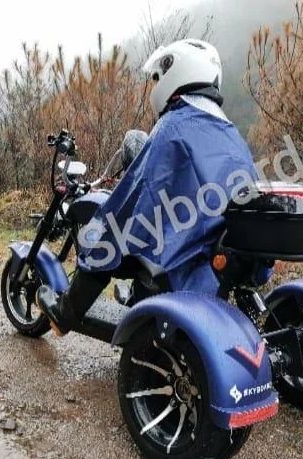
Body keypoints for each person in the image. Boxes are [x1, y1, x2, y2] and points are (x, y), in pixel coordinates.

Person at [36, 39, 260, 336]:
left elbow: (134, 194)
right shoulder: (232, 134)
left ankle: (65, 314)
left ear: (175, 74)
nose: (155, 84)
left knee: (105, 238)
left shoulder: (173, 126)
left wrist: (104, 224)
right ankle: (135, 300)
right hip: (214, 256)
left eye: (157, 77)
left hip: (179, 256)